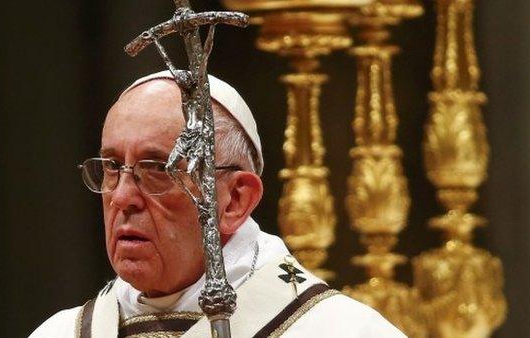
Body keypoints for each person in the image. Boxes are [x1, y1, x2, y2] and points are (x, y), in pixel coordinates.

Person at [29, 71, 407, 338]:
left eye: (157, 169)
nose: (124, 198)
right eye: (113, 168)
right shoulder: (63, 333)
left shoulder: (337, 331)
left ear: (235, 200)